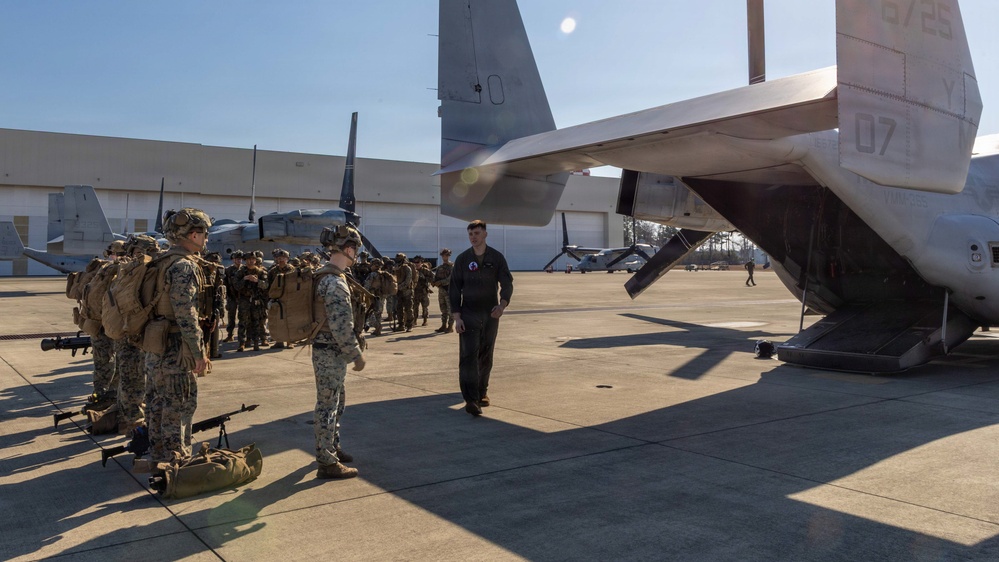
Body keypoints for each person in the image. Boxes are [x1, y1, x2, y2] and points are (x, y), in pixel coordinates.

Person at [145, 208, 211, 463]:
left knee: (157, 403)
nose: (206, 238)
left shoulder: (161, 262)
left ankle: (158, 453)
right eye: (204, 233)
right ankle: (177, 459)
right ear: (193, 235)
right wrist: (199, 353)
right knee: (179, 404)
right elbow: (186, 315)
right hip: (174, 348)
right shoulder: (183, 266)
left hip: (155, 345)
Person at [313, 225, 366, 479]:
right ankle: (327, 462)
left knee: (336, 401)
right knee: (327, 406)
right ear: (348, 249)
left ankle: (332, 446)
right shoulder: (335, 283)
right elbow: (341, 325)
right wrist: (355, 354)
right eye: (355, 249)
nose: (356, 254)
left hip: (329, 351)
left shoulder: (326, 276)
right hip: (330, 352)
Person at [449, 220, 513, 416]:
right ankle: (471, 399)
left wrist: (502, 306)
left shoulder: (496, 258)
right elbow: (454, 289)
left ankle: (482, 392)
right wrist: (457, 317)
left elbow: (507, 283)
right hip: (468, 314)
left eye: (476, 233)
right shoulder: (462, 259)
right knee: (468, 357)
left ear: (485, 234)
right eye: (470, 234)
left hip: (490, 314)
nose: (473, 237)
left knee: (486, 355)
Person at [223, 250, 243, 342]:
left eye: (240, 259)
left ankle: (242, 336)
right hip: (232, 297)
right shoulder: (228, 270)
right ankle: (230, 335)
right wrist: (227, 296)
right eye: (237, 259)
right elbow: (225, 283)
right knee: (231, 317)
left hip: (243, 297)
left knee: (243, 317)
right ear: (233, 260)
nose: (239, 260)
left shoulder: (244, 269)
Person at [433, 248, 454, 333]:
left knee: (450, 310)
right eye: (443, 255)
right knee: (443, 309)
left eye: (446, 255)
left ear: (449, 256)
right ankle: (443, 325)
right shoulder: (440, 268)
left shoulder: (452, 267)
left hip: (449, 290)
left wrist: (440, 282)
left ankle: (450, 326)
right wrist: (434, 282)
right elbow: (436, 277)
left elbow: (450, 279)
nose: (445, 257)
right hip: (441, 291)